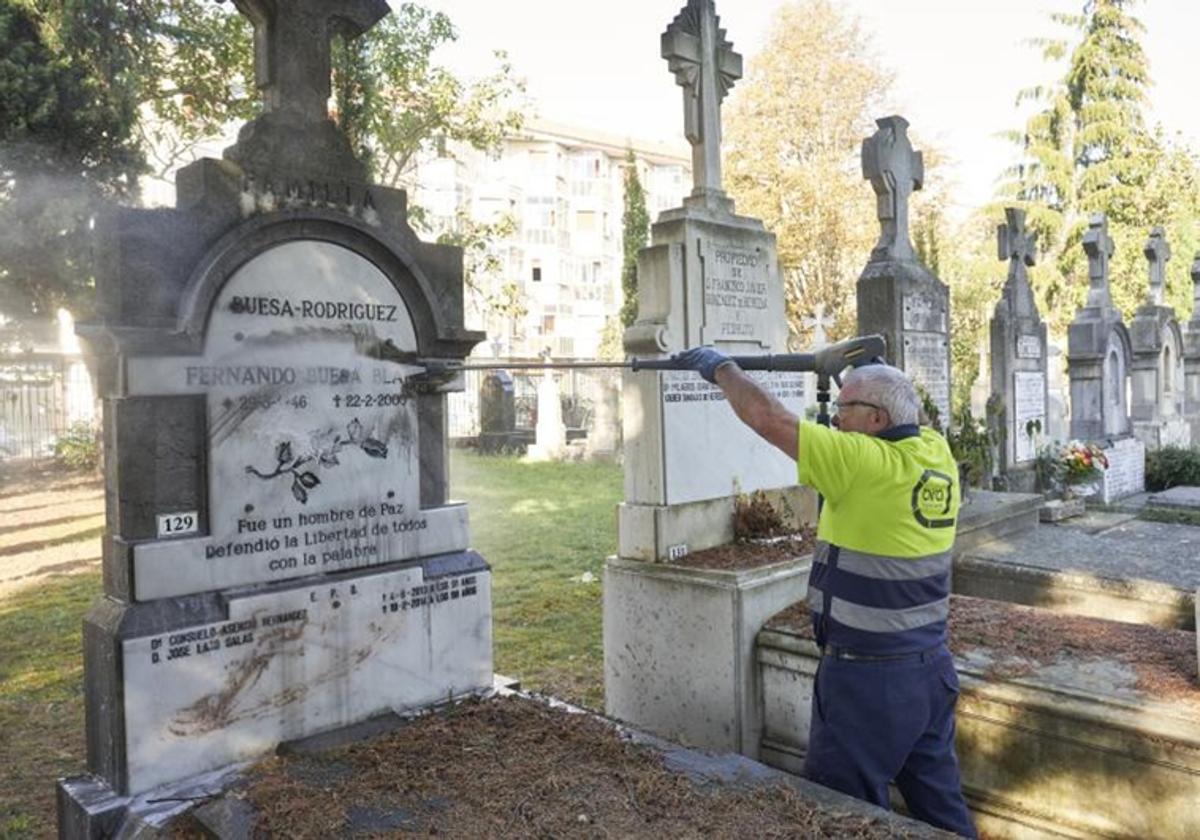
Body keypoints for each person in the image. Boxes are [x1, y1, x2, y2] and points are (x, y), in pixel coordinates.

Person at [673, 345, 977, 839]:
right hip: (927, 671)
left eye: (844, 410)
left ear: (876, 419)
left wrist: (720, 368)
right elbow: (883, 412)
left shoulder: (862, 463)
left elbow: (767, 417)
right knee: (941, 812)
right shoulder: (932, 451)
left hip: (867, 683)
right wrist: (848, 382)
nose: (835, 419)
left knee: (842, 815)